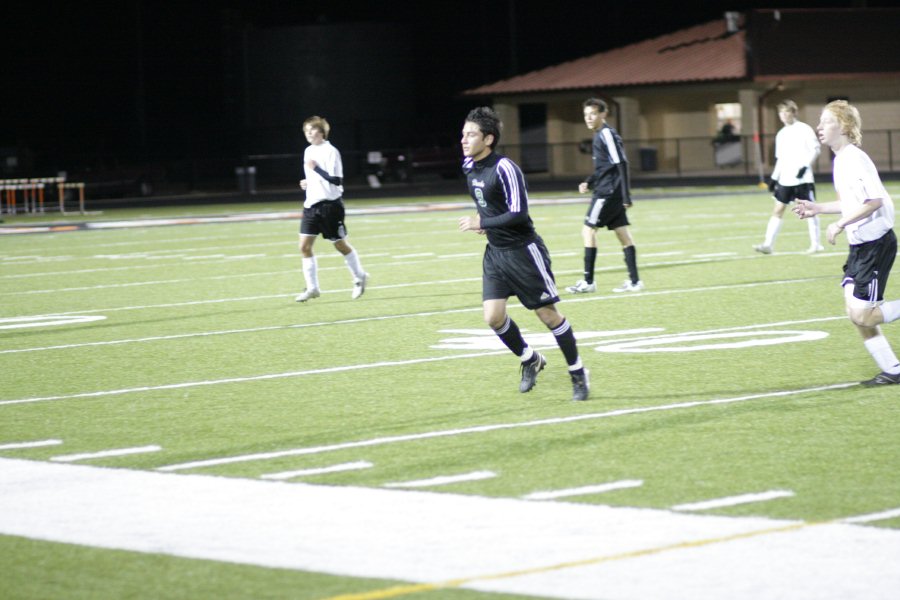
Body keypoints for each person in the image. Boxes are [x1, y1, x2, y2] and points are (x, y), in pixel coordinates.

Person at [457, 107, 589, 401]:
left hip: (523, 252)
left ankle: (577, 373)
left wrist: (483, 222)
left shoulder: (505, 167)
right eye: (463, 134)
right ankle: (530, 358)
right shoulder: (469, 165)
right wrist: (486, 224)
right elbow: (489, 204)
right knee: (492, 317)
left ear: (488, 139)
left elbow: (519, 213)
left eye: (471, 135)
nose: (464, 140)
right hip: (496, 253)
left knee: (548, 315)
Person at [794, 100, 900, 385]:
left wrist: (840, 224)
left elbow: (874, 201)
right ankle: (893, 369)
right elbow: (850, 203)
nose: (819, 126)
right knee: (856, 315)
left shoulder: (854, 158)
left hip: (875, 245)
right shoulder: (841, 159)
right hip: (860, 246)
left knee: (865, 317)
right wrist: (817, 209)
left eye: (825, 121)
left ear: (843, 126)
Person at [567, 98, 642, 294]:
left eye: (592, 114)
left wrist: (626, 196)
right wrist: (589, 182)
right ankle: (635, 282)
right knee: (622, 234)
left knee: (588, 230)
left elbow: (622, 164)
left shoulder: (607, 133)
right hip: (608, 189)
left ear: (603, 114)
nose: (588, 118)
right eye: (586, 115)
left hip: (608, 193)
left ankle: (588, 281)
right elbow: (605, 167)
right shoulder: (599, 134)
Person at [295, 115, 368, 302]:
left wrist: (316, 170)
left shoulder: (330, 151)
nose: (308, 133)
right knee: (304, 246)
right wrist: (307, 183)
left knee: (340, 245)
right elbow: (315, 178)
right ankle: (312, 288)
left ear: (322, 131)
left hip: (330, 206)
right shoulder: (307, 151)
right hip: (311, 205)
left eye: (312, 129)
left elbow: (337, 180)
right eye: (306, 130)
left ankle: (359, 277)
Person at [754, 100, 822, 255]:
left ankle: (816, 244)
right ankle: (768, 244)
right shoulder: (781, 134)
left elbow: (815, 150)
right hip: (786, 179)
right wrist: (774, 178)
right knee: (778, 209)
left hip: (803, 179)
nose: (783, 115)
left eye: (787, 111)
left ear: (794, 113)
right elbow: (781, 159)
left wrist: (805, 167)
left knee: (809, 210)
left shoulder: (804, 129)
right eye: (781, 112)